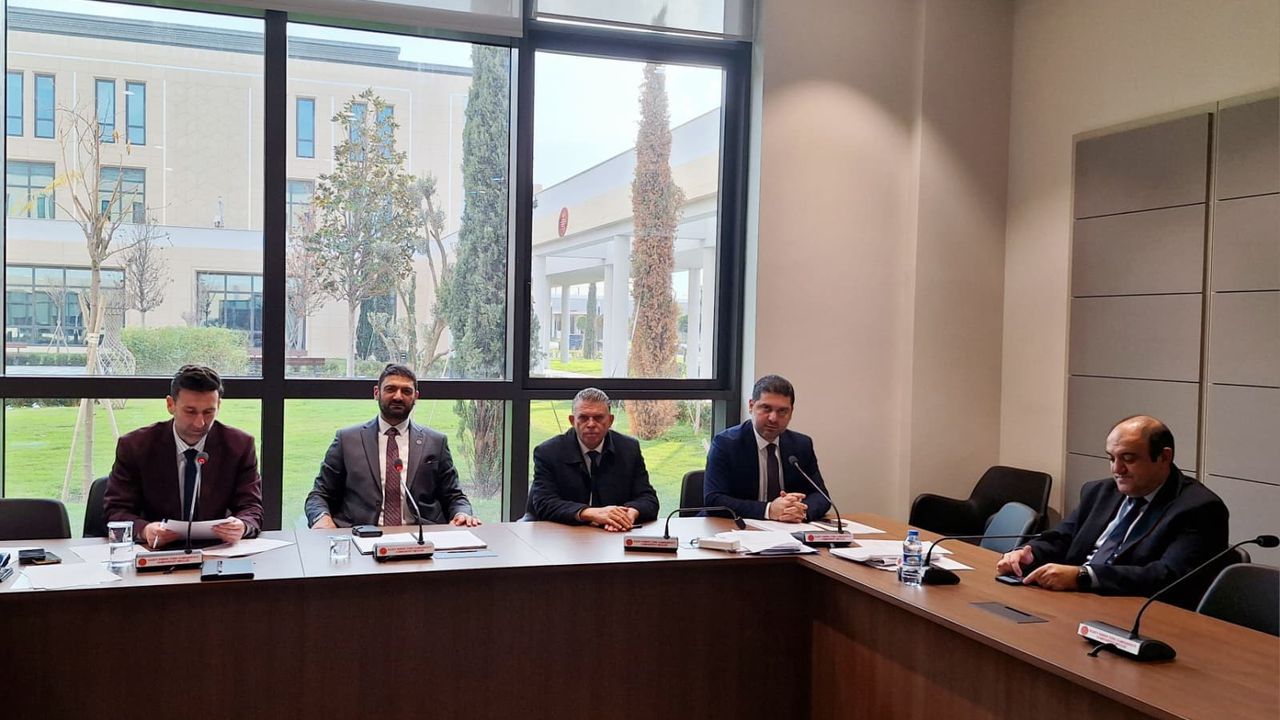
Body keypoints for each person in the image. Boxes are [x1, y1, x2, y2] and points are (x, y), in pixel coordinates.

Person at [996, 415, 1228, 607]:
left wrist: (1083, 576)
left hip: (1132, 611)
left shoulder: (1199, 507)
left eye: (1128, 458)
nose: (1117, 469)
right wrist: (1028, 553)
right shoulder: (1099, 492)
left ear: (1164, 457)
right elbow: (1061, 538)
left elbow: (1168, 577)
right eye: (1111, 458)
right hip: (1072, 602)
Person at [104, 365, 263, 548]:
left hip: (217, 550)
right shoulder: (136, 446)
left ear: (218, 405)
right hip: (156, 551)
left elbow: (252, 508)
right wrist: (145, 530)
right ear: (170, 405)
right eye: (190, 411)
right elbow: (115, 511)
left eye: (208, 412)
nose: (199, 423)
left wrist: (242, 526)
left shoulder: (239, 446)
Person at [306, 363, 479, 529]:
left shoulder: (435, 442)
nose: (398, 397)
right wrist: (322, 519)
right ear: (376, 393)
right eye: (390, 389)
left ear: (416, 397)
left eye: (406, 391)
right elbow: (319, 495)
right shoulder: (347, 440)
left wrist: (462, 514)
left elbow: (454, 496)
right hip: (362, 535)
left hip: (421, 536)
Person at [703, 374, 832, 522]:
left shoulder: (801, 445)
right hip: (737, 528)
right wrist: (768, 510)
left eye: (782, 411)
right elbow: (714, 499)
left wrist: (799, 511)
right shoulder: (726, 444)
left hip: (787, 529)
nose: (773, 418)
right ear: (751, 406)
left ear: (791, 412)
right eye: (766, 408)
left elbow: (821, 496)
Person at [527, 388, 659, 531]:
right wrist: (590, 514)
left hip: (614, 535)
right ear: (572, 420)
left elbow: (648, 499)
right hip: (564, 535)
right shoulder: (548, 452)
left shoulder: (629, 449)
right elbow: (544, 503)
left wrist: (628, 514)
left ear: (610, 420)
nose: (591, 424)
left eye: (598, 418)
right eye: (583, 418)